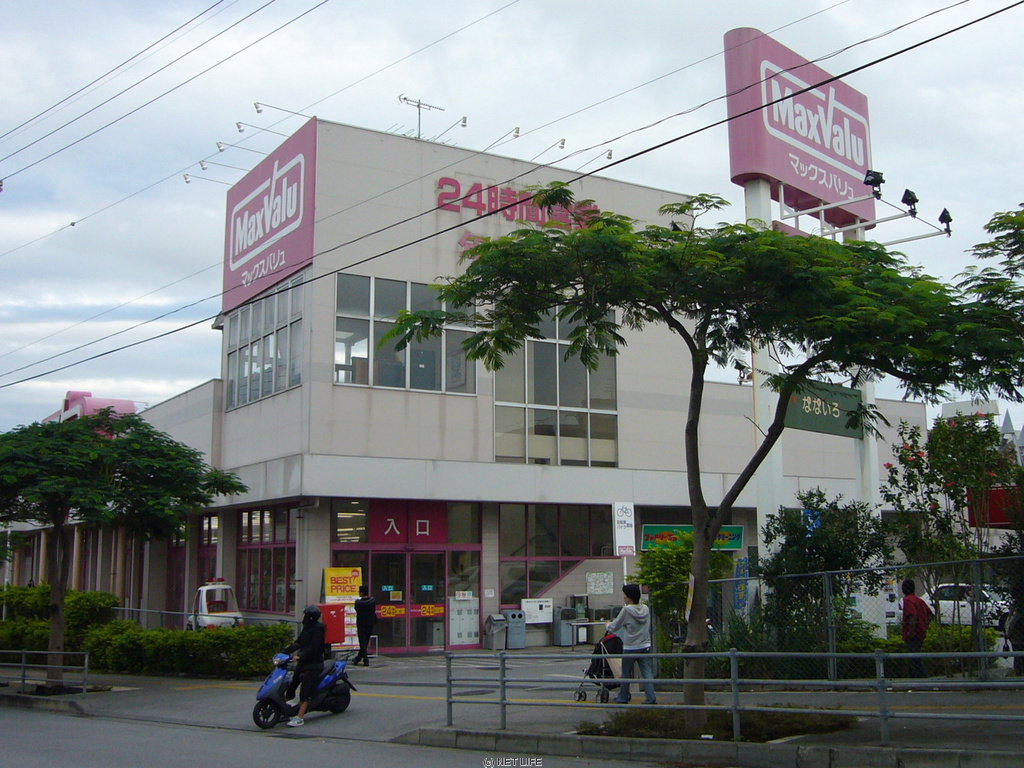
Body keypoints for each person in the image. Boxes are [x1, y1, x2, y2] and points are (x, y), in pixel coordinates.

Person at [606, 583, 656, 705]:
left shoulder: (627, 610)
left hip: (630, 647)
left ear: (630, 597)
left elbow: (616, 625)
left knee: (626, 673)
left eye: (625, 595)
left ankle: (623, 697)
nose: (624, 597)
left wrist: (608, 625)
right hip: (645, 645)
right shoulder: (645, 609)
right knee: (647, 673)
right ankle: (651, 698)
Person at [283, 604, 327, 727]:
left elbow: (313, 648)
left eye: (305, 615)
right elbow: (299, 642)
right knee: (292, 685)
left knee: (305, 691)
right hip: (303, 663)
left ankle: (300, 717)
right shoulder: (307, 628)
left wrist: (300, 656)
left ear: (310, 617)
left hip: (314, 665)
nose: (303, 617)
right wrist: (285, 652)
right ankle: (284, 710)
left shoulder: (318, 630)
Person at [900, 579, 933, 678]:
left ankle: (923, 678)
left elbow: (912, 615)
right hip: (920, 632)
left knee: (914, 658)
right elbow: (930, 614)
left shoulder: (908, 600)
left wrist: (911, 631)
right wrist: (924, 625)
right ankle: (914, 678)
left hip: (913, 634)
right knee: (913, 656)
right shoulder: (919, 600)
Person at [352, 585, 377, 666]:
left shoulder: (358, 603)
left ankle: (366, 660)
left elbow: (357, 610)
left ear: (361, 593)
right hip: (370, 623)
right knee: (365, 642)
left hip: (361, 623)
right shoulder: (372, 601)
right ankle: (358, 658)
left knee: (362, 642)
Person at [1005, 607, 1024, 676]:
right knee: (1018, 657)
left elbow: (1009, 624)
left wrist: (1008, 633)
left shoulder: (1015, 615)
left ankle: (1019, 673)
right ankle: (1019, 673)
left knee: (1018, 658)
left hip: (1016, 639)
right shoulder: (1016, 615)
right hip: (1017, 640)